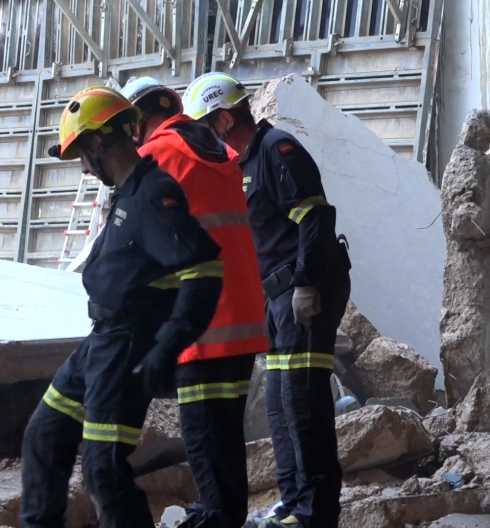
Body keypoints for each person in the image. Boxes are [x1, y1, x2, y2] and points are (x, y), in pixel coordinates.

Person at [20, 86, 225, 528]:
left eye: (81, 154)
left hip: (128, 346)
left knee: (103, 469)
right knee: (44, 435)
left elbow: (204, 271)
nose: (83, 167)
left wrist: (165, 349)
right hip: (101, 341)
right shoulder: (127, 194)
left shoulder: (154, 194)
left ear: (99, 142)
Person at [183, 72, 352, 528]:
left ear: (221, 120)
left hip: (303, 291)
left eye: (201, 127)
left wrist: (305, 283)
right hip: (275, 298)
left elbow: (313, 218)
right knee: (279, 404)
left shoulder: (278, 149)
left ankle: (315, 513)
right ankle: (294, 501)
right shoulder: (242, 164)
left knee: (302, 403)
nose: (199, 138)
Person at [119, 76, 267, 527]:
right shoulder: (214, 149)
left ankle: (218, 519)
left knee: (205, 437)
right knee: (224, 437)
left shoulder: (156, 155)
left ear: (139, 122)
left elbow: (133, 248)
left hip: (203, 324)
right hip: (240, 319)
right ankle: (225, 516)